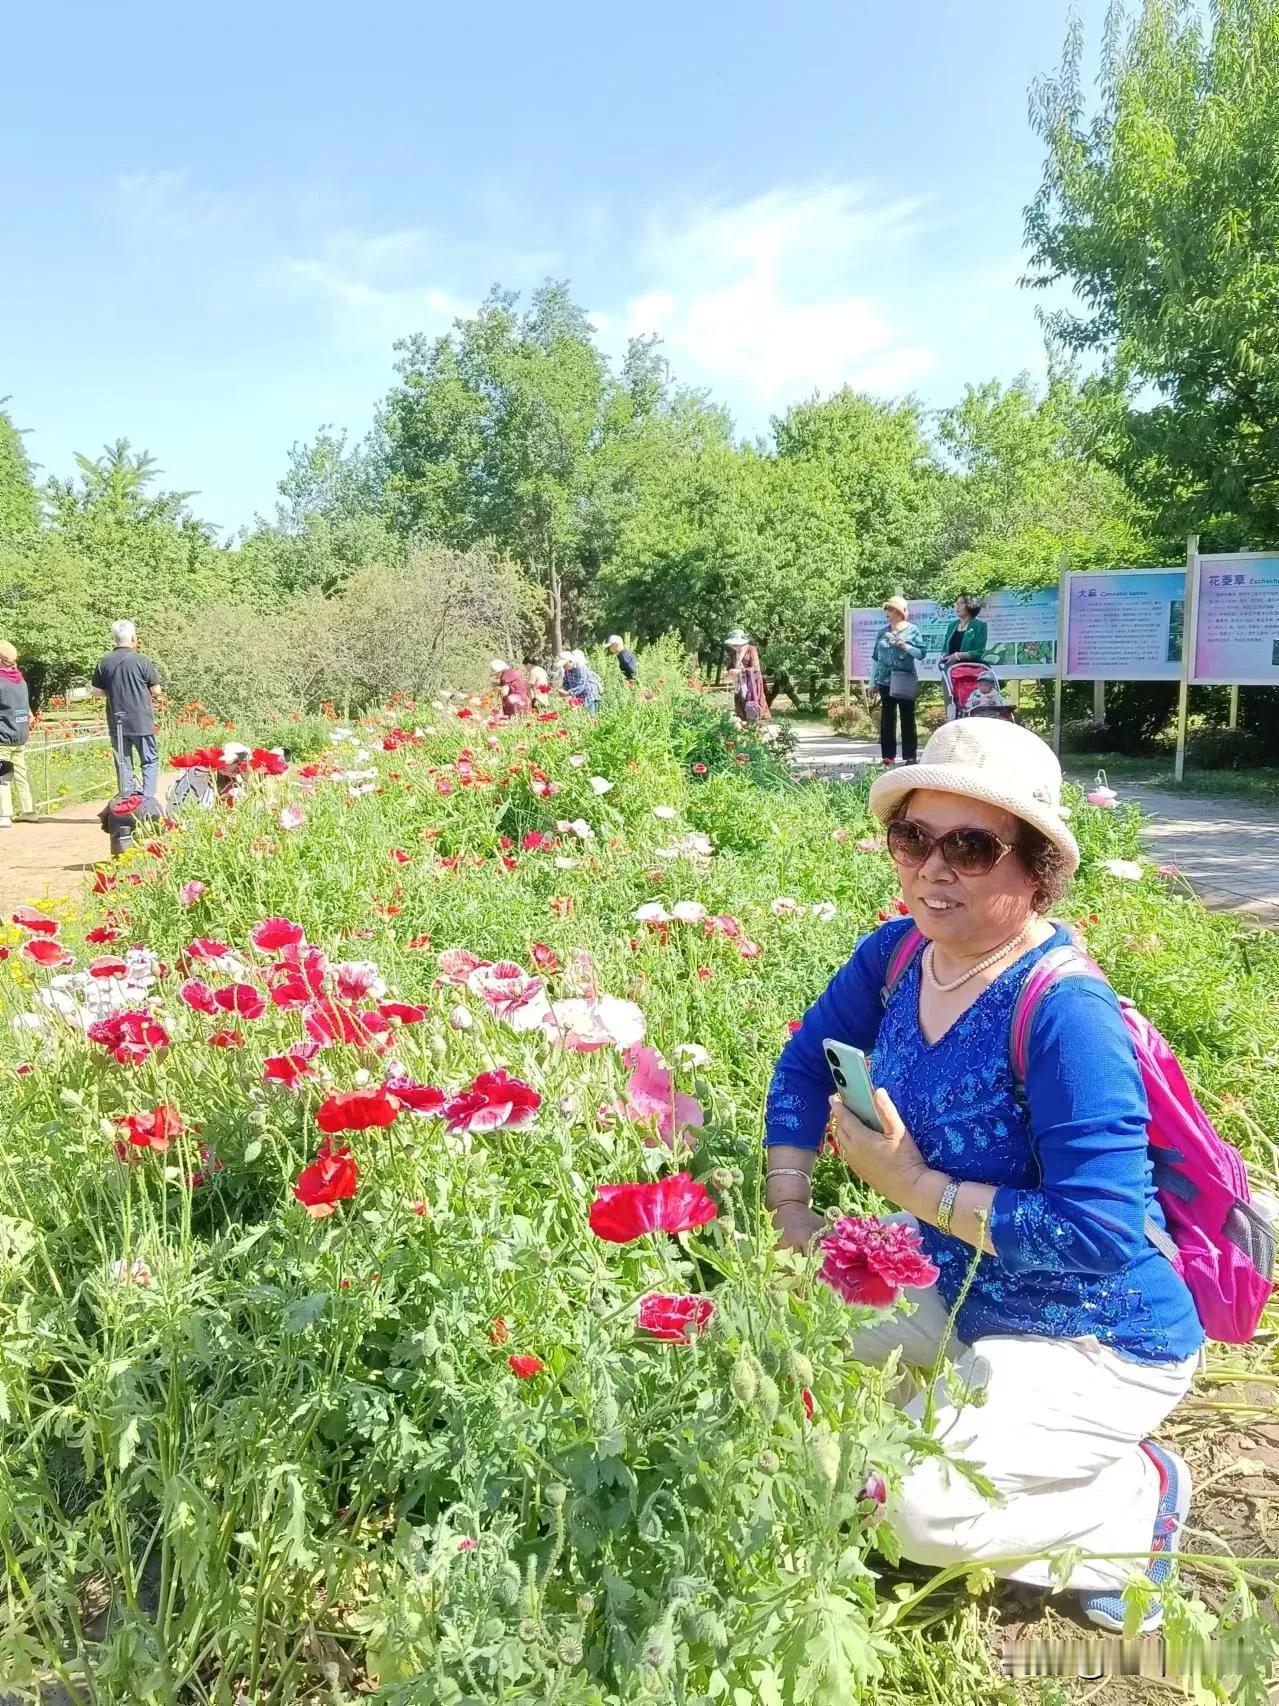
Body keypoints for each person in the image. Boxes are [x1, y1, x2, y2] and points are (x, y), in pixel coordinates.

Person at [763, 719, 1200, 1633]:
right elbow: (804, 1065)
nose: (932, 868)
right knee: (771, 1361)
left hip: (1089, 1335)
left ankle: (1129, 1496)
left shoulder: (1063, 1011)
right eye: (913, 838)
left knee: (914, 1508)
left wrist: (912, 1189)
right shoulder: (894, 957)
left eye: (970, 846)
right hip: (948, 1291)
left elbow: (1099, 1233)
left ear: (1035, 867)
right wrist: (790, 1208)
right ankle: (976, 1423)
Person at [91, 620, 163, 800]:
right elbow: (156, 690)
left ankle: (126, 799)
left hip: (117, 720)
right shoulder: (141, 661)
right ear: (133, 637)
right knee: (149, 759)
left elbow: (97, 692)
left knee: (123, 761)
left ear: (114, 639)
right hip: (141, 720)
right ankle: (148, 799)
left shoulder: (104, 662)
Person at [871, 596, 925, 764]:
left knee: (907, 718)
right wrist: (872, 681)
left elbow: (921, 653)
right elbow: (875, 658)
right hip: (884, 680)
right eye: (887, 609)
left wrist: (905, 646)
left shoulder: (912, 630)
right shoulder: (882, 632)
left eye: (891, 609)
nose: (887, 613)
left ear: (900, 612)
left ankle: (910, 756)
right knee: (887, 718)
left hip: (904, 678)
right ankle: (888, 756)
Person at [0, 640, 33, 828]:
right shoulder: (20, 681)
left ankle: (4, 815)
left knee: (3, 776)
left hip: (3, 736)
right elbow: (26, 710)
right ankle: (28, 810)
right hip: (20, 735)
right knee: (21, 774)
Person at [941, 595, 988, 665]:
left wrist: (958, 656)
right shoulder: (952, 625)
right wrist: (943, 655)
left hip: (970, 668)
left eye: (961, 603)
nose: (957, 606)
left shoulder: (980, 626)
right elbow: (945, 648)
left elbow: (979, 652)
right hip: (950, 669)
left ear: (970, 606)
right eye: (957, 603)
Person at [732, 643, 771, 724]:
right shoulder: (734, 652)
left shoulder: (751, 649)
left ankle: (757, 723)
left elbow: (755, 668)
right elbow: (732, 665)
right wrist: (728, 671)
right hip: (739, 683)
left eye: (736, 644)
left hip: (752, 682)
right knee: (740, 702)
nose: (735, 647)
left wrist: (741, 670)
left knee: (753, 703)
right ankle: (744, 722)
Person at [559, 650, 603, 715]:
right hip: (579, 698)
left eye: (564, 664)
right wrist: (563, 691)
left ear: (570, 661)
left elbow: (581, 685)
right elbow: (566, 683)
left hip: (589, 696)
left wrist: (568, 693)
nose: (563, 667)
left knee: (591, 718)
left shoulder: (580, 667)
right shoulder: (567, 670)